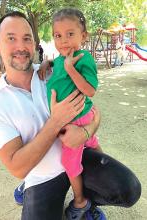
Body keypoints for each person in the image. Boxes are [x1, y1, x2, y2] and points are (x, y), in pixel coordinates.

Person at [0, 11, 141, 220]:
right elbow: (17, 166)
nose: (21, 46)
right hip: (42, 177)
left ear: (34, 43)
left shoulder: (53, 72)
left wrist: (86, 132)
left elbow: (93, 109)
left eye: (27, 38)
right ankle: (31, 191)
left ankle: (85, 201)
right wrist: (56, 122)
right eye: (11, 38)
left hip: (79, 156)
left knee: (128, 189)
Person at [38, 8, 100, 219]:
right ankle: (102, 164)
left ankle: (81, 201)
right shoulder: (65, 57)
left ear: (84, 36)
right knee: (91, 144)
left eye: (70, 34)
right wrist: (49, 62)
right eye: (58, 35)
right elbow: (61, 65)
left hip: (75, 120)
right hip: (80, 116)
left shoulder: (83, 58)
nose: (63, 41)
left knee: (70, 164)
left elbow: (90, 90)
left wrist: (71, 70)